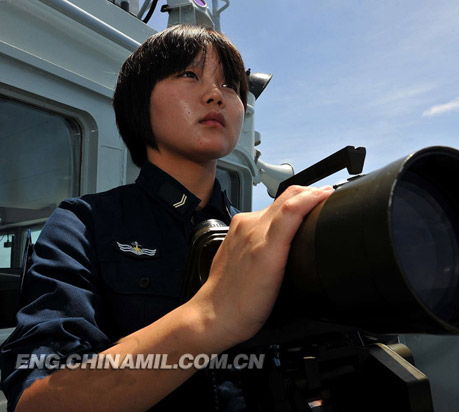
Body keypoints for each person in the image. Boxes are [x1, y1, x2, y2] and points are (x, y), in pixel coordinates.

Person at [0, 24, 333, 411]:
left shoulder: (259, 234)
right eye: (189, 75)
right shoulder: (82, 225)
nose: (216, 96)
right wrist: (209, 316)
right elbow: (39, 400)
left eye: (230, 86)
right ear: (140, 104)